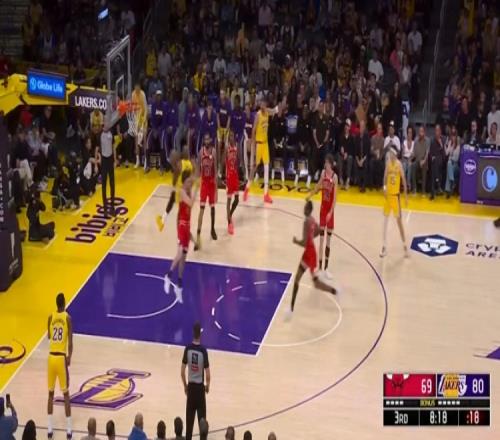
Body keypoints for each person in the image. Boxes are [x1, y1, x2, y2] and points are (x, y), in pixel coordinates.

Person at [289, 201, 338, 314]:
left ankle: (335, 291)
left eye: (305, 208)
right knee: (299, 279)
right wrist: (310, 237)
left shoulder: (306, 221)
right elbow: (318, 230)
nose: (303, 209)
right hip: (310, 251)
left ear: (308, 210)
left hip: (309, 253)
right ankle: (291, 308)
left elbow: (304, 243)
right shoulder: (312, 220)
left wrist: (296, 241)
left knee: (310, 282)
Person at [164, 169, 198, 303]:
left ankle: (179, 285)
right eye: (188, 182)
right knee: (180, 253)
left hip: (186, 226)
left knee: (183, 259)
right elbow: (191, 203)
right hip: (182, 225)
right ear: (184, 182)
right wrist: (196, 190)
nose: (190, 184)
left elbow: (195, 177)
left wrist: (194, 240)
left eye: (191, 182)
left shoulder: (188, 191)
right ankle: (168, 275)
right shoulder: (182, 192)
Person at [244, 95, 281, 203]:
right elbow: (253, 130)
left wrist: (281, 104)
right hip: (258, 144)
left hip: (265, 144)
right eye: (261, 104)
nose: (262, 105)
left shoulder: (268, 112)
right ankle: (247, 188)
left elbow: (275, 111)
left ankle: (265, 194)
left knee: (266, 167)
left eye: (263, 103)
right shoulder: (258, 115)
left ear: (266, 104)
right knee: (254, 168)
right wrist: (253, 145)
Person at [47, 292, 73, 440]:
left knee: (50, 394)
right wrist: (69, 357)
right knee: (66, 394)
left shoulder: (50, 317)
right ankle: (69, 430)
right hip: (61, 358)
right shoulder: (67, 318)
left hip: (51, 357)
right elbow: (70, 341)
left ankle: (49, 429)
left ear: (56, 303)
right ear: (64, 303)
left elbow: (49, 336)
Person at [307, 154, 337, 273]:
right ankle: (319, 268)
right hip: (323, 209)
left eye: (327, 163)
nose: (325, 164)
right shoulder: (323, 174)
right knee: (321, 240)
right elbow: (318, 186)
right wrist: (310, 195)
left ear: (330, 164)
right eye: (325, 162)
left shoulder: (335, 177)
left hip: (330, 211)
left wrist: (331, 212)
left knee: (328, 241)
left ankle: (326, 268)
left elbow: (335, 198)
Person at [182, 322, 211, 440]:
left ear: (193, 333)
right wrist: (207, 386)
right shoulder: (203, 351)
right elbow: (208, 374)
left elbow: (182, 371)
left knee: (189, 425)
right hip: (200, 390)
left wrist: (185, 386)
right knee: (202, 423)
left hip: (191, 389)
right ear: (200, 334)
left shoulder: (187, 349)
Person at [156, 146, 194, 232]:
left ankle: (164, 221)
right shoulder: (190, 164)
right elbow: (191, 178)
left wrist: (174, 186)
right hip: (186, 190)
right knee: (181, 208)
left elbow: (175, 178)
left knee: (176, 207)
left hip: (179, 189)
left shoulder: (181, 164)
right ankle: (164, 220)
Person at [380, 146, 409, 258]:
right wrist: (384, 188)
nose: (390, 154)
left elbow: (404, 180)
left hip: (396, 197)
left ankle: (405, 246)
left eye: (391, 153)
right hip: (388, 197)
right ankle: (384, 247)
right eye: (389, 153)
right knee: (385, 222)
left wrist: (405, 196)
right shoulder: (388, 164)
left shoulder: (399, 164)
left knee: (399, 223)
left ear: (395, 154)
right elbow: (384, 177)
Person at [195, 134, 218, 249]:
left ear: (211, 140)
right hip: (204, 183)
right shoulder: (201, 152)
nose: (207, 141)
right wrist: (197, 184)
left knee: (212, 209)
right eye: (205, 139)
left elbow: (216, 170)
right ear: (204, 140)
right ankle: (198, 236)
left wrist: (216, 190)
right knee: (201, 210)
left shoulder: (213, 151)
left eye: (208, 139)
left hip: (211, 184)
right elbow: (198, 170)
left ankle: (212, 229)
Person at [99, 123, 116, 216]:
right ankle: (105, 208)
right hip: (104, 160)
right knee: (104, 185)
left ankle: (112, 207)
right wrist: (98, 160)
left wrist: (115, 159)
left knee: (112, 184)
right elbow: (98, 148)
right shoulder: (100, 135)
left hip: (110, 159)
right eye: (104, 126)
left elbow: (113, 147)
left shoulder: (111, 133)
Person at [224, 130, 240, 235]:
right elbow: (223, 160)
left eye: (232, 136)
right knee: (229, 200)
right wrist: (222, 173)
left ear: (234, 137)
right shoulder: (227, 148)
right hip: (229, 176)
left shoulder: (237, 146)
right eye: (229, 136)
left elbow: (238, 160)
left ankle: (229, 214)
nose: (231, 137)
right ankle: (229, 223)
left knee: (237, 200)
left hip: (235, 175)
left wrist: (240, 172)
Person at [132, 82, 148, 168]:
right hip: (137, 118)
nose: (136, 89)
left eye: (137, 87)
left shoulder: (143, 94)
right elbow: (133, 109)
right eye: (135, 87)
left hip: (143, 117)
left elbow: (146, 109)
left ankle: (145, 160)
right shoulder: (133, 94)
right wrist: (136, 122)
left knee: (144, 138)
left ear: (140, 87)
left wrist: (143, 121)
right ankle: (137, 160)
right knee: (136, 139)